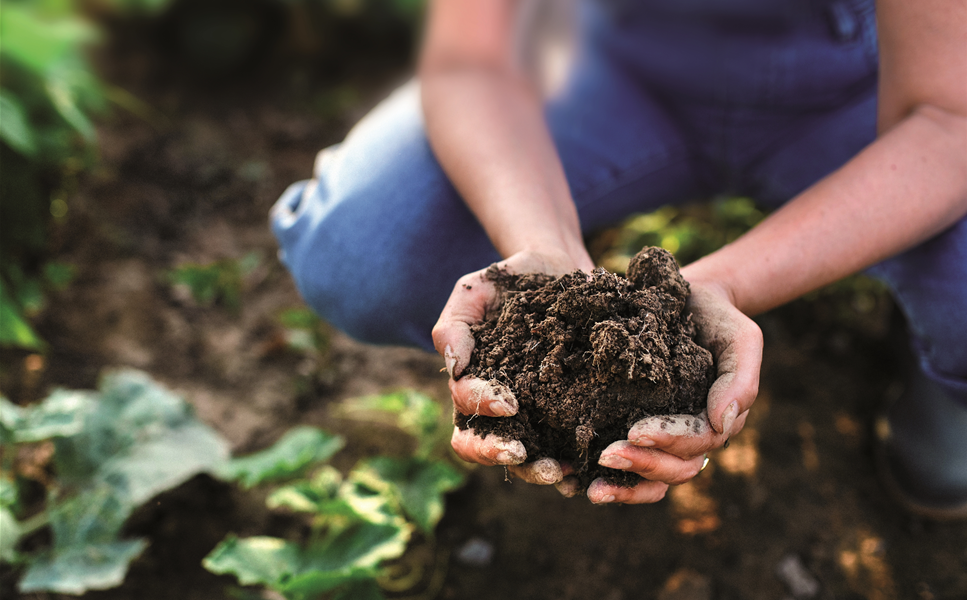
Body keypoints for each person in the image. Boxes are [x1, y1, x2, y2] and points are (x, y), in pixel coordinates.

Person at [270, 0, 967, 517]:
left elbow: (947, 120)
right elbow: (472, 55)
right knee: (365, 254)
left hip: (859, 82)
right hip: (605, 60)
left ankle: (940, 379)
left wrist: (725, 283)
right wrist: (547, 256)